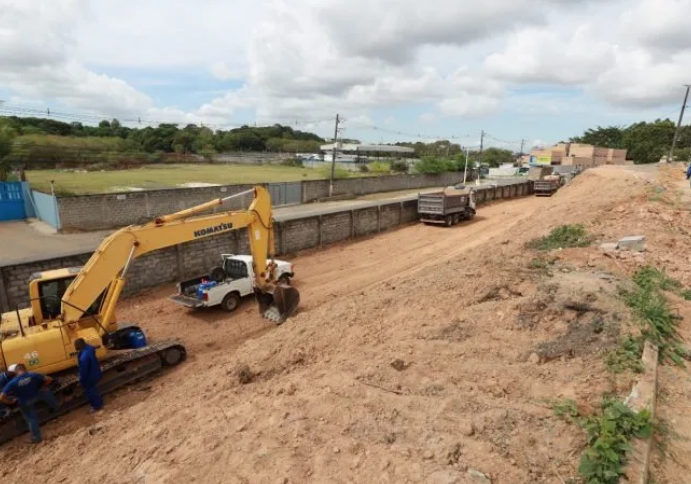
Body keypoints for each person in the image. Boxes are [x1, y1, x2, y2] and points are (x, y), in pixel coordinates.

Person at [0, 364, 60, 443]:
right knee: (46, 391)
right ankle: (56, 407)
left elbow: (1, 397)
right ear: (25, 369)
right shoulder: (33, 374)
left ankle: (36, 438)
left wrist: (10, 402)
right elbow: (49, 379)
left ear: (16, 372)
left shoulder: (12, 382)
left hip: (25, 402)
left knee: (32, 419)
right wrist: (43, 386)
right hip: (37, 395)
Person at [75, 338, 103, 412]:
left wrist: (81, 381)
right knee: (94, 390)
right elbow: (91, 347)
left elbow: (84, 371)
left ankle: (97, 406)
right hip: (95, 371)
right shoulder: (89, 349)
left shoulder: (83, 357)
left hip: (89, 377)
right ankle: (99, 402)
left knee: (91, 392)